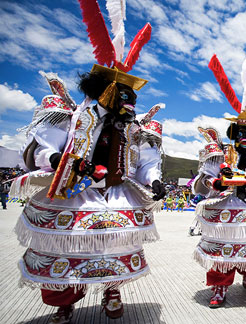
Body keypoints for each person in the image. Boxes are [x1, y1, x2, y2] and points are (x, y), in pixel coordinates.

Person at [10, 3, 165, 322]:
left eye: (131, 98)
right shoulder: (74, 117)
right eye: (123, 95)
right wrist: (57, 159)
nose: (130, 103)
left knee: (114, 247)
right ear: (106, 92)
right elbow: (43, 147)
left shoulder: (134, 130)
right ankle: (66, 301)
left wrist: (155, 181)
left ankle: (112, 290)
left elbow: (144, 164)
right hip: (75, 191)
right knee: (67, 250)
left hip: (117, 193)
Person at [192, 54, 246, 307]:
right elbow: (203, 179)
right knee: (222, 249)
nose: (245, 136)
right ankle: (219, 286)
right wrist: (215, 184)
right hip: (223, 205)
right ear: (233, 133)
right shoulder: (219, 152)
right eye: (241, 131)